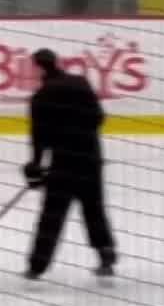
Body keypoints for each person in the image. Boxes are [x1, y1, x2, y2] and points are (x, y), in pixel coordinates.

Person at [22, 48, 116, 279]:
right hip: (90, 159)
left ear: (39, 67)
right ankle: (106, 253)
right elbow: (98, 117)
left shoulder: (41, 97)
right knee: (94, 210)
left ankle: (36, 267)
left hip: (62, 164)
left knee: (51, 216)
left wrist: (35, 167)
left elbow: (39, 137)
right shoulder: (80, 83)